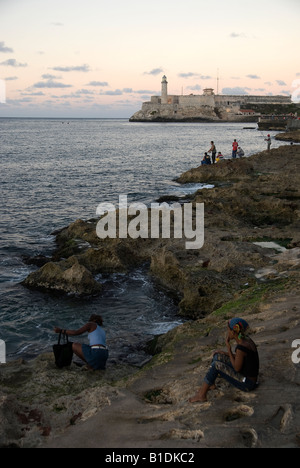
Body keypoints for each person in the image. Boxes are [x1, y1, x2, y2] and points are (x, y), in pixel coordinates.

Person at [189, 318, 259, 403]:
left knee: (216, 365)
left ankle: (202, 395)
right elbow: (242, 358)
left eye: (228, 330)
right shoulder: (247, 340)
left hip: (247, 383)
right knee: (218, 356)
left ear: (233, 332)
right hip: (247, 377)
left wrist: (229, 349)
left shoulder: (241, 347)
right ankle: (211, 383)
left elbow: (237, 368)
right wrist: (224, 353)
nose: (227, 332)